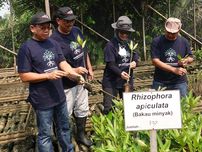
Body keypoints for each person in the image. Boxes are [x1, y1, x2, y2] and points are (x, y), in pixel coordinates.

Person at [17, 11, 86, 152]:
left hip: (59, 96)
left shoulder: (53, 43)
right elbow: (24, 76)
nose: (47, 30)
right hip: (42, 100)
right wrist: (48, 76)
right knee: (45, 134)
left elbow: (62, 62)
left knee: (64, 128)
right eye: (42, 28)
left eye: (48, 27)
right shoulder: (26, 48)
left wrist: (74, 74)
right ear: (32, 28)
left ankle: (68, 150)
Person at [50, 7, 93, 147]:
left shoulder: (77, 31)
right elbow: (57, 66)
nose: (70, 23)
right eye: (67, 21)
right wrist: (74, 70)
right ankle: (63, 139)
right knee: (65, 113)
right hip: (65, 84)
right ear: (58, 21)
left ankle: (80, 134)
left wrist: (89, 67)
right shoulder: (53, 41)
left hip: (81, 80)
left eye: (72, 20)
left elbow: (83, 51)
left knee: (82, 108)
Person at [102, 16, 139, 114]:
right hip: (111, 81)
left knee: (128, 107)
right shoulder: (110, 45)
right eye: (122, 32)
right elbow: (111, 64)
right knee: (109, 108)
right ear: (117, 31)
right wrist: (120, 73)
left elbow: (135, 56)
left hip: (126, 81)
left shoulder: (130, 43)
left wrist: (135, 62)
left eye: (126, 33)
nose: (124, 35)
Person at [150, 17, 194, 98]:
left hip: (179, 82)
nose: (170, 35)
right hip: (160, 81)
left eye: (173, 33)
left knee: (182, 106)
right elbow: (155, 61)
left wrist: (186, 60)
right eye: (168, 32)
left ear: (179, 30)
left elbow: (191, 57)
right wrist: (174, 70)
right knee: (158, 107)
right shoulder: (157, 41)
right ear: (165, 29)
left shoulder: (184, 42)